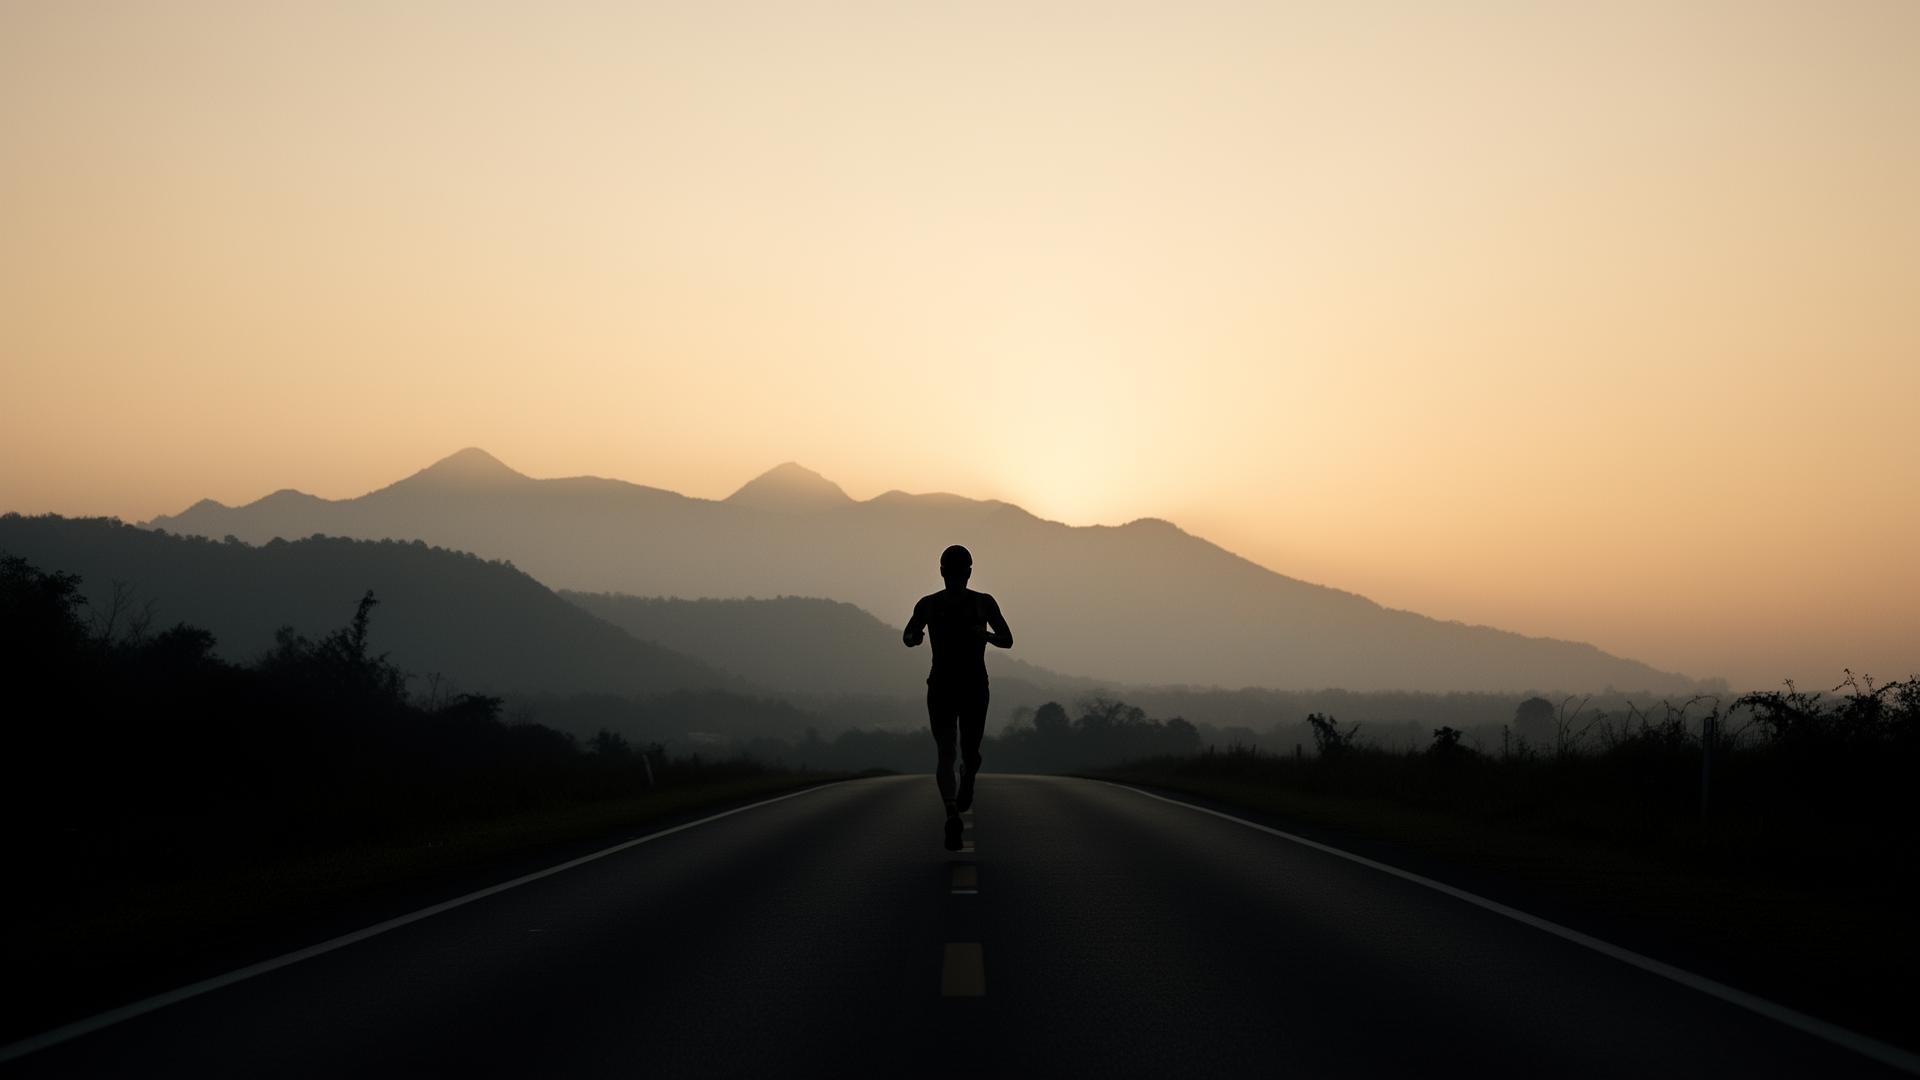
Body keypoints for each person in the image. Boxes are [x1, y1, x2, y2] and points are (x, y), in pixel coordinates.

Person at [903, 544, 1013, 851]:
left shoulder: (979, 604)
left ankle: (961, 791)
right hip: (953, 686)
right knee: (954, 750)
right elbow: (909, 635)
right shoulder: (932, 605)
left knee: (959, 752)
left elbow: (1007, 639)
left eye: (957, 573)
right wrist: (915, 637)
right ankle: (953, 809)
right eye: (953, 573)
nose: (955, 578)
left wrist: (986, 635)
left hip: (964, 686)